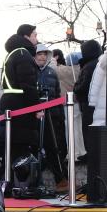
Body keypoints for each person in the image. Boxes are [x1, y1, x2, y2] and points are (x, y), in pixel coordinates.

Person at [0, 25, 43, 172]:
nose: (36, 38)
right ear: (26, 36)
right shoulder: (23, 54)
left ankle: (12, 183)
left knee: (13, 147)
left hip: (11, 102)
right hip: (20, 104)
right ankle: (22, 185)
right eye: (34, 35)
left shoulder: (12, 53)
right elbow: (28, 84)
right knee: (22, 147)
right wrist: (37, 108)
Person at [34, 44, 68, 192]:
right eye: (39, 54)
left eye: (44, 54)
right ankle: (32, 182)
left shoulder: (51, 72)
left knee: (56, 149)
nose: (42, 57)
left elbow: (57, 94)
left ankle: (62, 181)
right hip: (35, 116)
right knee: (35, 150)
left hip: (53, 117)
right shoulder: (30, 72)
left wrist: (61, 117)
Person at [73, 39, 103, 161]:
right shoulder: (99, 63)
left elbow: (83, 85)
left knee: (88, 127)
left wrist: (76, 87)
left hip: (88, 101)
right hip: (97, 101)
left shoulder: (89, 66)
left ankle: (91, 152)